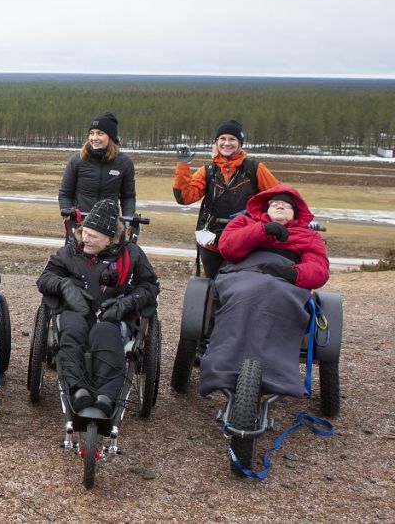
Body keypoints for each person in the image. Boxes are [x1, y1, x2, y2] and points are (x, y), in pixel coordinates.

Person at [198, 185, 330, 398]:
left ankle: (276, 375)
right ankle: (221, 370)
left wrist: (292, 273)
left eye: (286, 205)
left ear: (295, 213)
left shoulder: (309, 236)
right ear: (265, 208)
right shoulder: (244, 222)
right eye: (275, 203)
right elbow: (228, 247)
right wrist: (261, 231)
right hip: (241, 275)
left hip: (286, 283)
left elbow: (319, 270)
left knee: (273, 292)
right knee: (247, 294)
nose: (280, 206)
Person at [36, 199, 160, 417]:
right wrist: (65, 286)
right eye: (85, 232)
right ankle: (77, 389)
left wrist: (127, 302)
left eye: (93, 235)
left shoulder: (132, 255)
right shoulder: (70, 252)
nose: (85, 238)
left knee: (105, 333)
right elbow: (45, 279)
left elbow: (149, 286)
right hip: (77, 312)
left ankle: (106, 396)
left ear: (109, 238)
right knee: (71, 331)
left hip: (113, 317)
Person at [173, 119, 281, 279]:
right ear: (216, 142)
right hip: (212, 244)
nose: (226, 143)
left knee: (242, 286)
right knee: (213, 286)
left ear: (240, 143)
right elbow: (184, 197)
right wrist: (183, 165)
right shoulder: (207, 171)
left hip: (246, 241)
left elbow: (279, 197)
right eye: (222, 139)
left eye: (232, 139)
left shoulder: (255, 169)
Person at [58, 111, 136, 221]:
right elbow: (65, 193)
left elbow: (128, 197)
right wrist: (68, 213)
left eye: (100, 133)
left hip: (109, 225)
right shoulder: (77, 160)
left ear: (111, 137)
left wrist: (128, 220)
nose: (94, 138)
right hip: (81, 224)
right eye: (92, 133)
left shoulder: (124, 163)